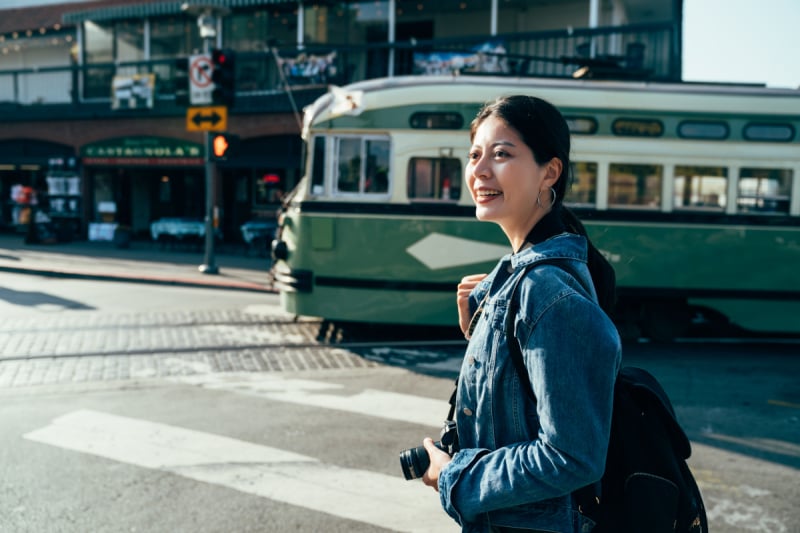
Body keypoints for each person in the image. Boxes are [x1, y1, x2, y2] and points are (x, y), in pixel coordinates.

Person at [420, 95, 622, 533]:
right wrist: (480, 335)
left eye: (502, 154)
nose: (480, 170)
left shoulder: (545, 291)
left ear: (549, 172)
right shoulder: (517, 281)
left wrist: (453, 475)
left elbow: (571, 456)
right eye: (475, 155)